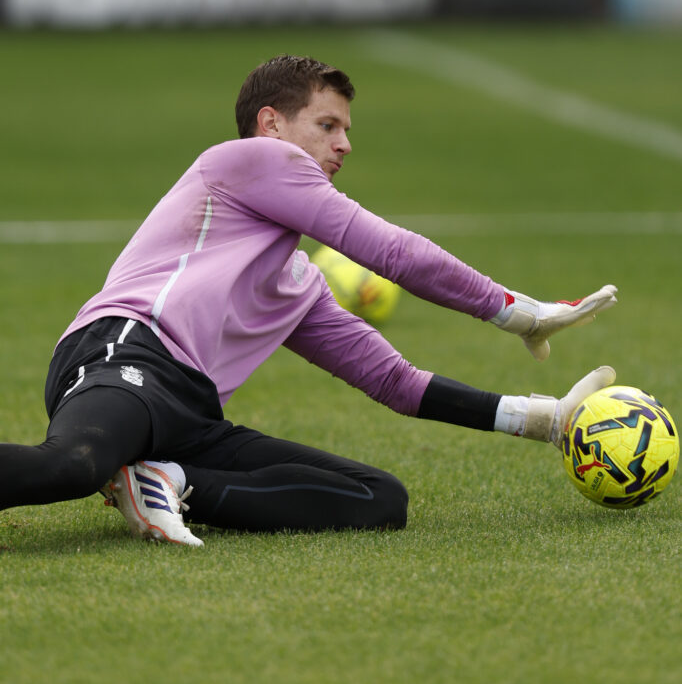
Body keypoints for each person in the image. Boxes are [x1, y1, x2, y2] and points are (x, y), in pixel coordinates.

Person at [0, 55, 618, 547]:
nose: (344, 144)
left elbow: (394, 381)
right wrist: (516, 310)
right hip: (124, 352)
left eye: (347, 130)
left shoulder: (296, 282)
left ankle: (167, 483)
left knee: (379, 498)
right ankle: (137, 473)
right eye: (328, 126)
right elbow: (393, 253)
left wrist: (545, 419)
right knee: (75, 465)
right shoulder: (244, 160)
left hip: (189, 412)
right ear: (272, 125)